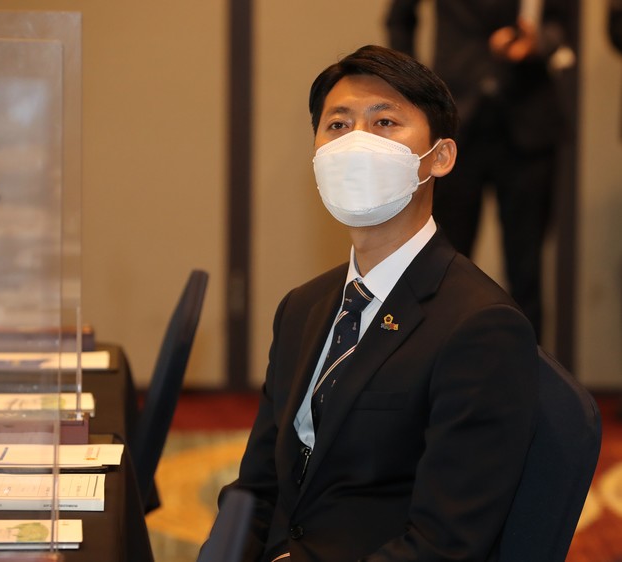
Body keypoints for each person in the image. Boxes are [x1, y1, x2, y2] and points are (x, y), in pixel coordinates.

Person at [211, 45, 539, 562]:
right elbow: (258, 484)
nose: (356, 143)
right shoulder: (301, 307)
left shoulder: (481, 326)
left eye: (385, 122)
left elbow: (446, 543)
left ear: (440, 157)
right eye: (337, 125)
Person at [386, 0, 572, 340]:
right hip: (456, 120)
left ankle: (525, 371)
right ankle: (438, 365)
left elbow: (561, 22)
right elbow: (400, 17)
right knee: (442, 265)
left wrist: (538, 42)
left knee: (527, 272)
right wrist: (414, 91)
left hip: (529, 121)